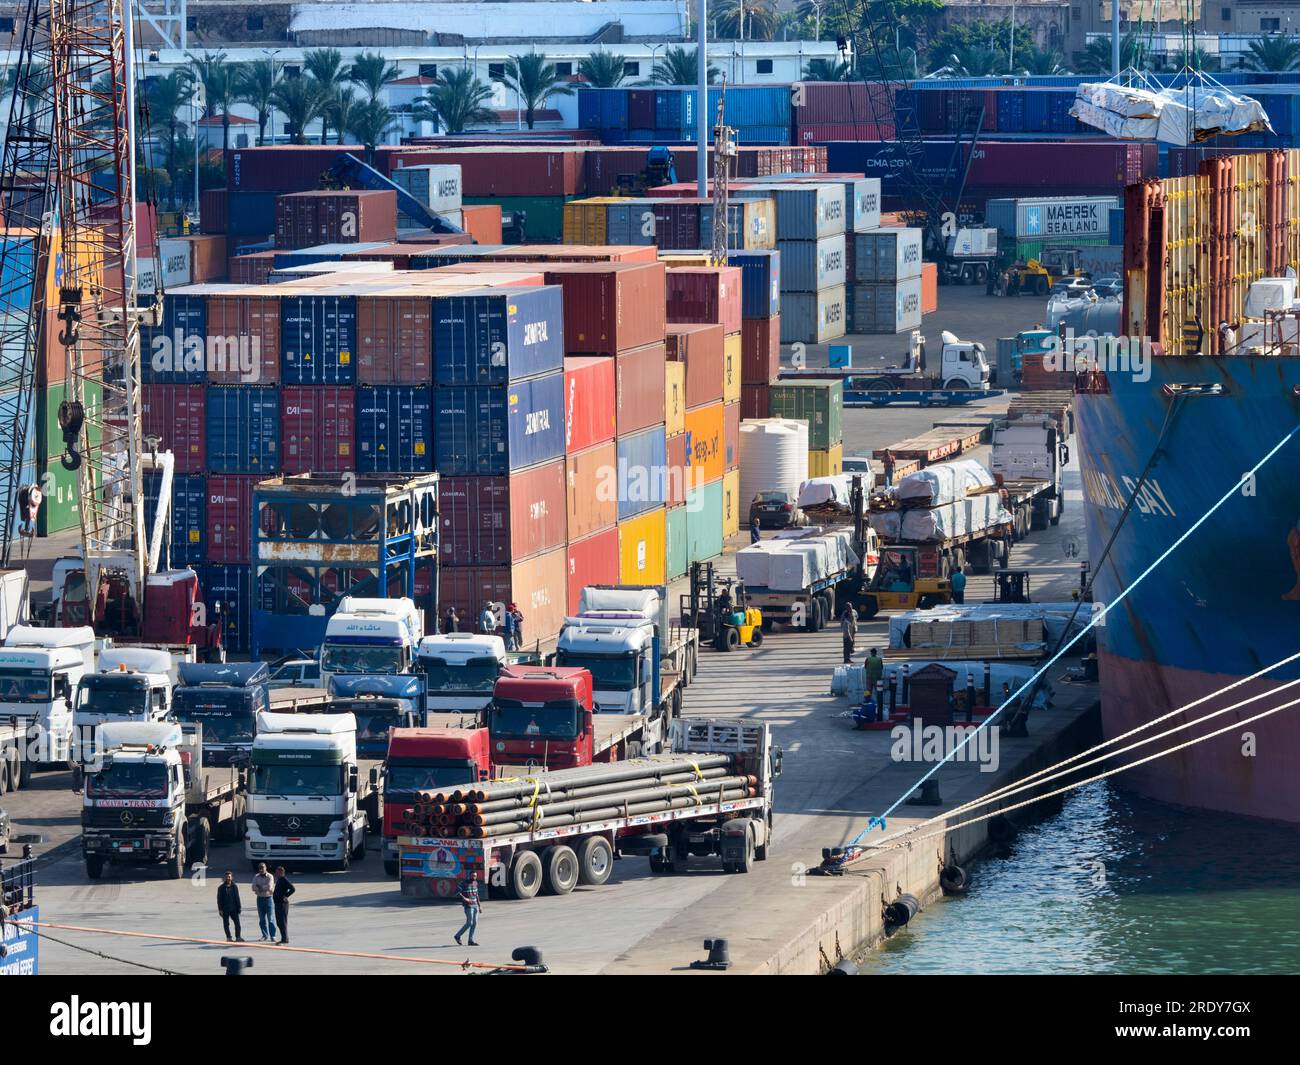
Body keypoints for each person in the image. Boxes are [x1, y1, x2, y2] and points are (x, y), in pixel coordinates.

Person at [251, 861, 276, 942]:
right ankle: (264, 935)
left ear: (266, 868)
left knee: (271, 919)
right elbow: (253, 887)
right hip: (260, 899)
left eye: (263, 868)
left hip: (269, 899)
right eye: (260, 868)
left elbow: (269, 887)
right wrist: (260, 888)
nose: (261, 869)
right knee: (262, 919)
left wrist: (259, 887)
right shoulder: (256, 877)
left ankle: (273, 936)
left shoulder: (270, 876)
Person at [454, 873, 481, 947]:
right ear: (469, 876)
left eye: (475, 875)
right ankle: (457, 936)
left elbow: (476, 894)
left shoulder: (475, 883)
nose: (474, 877)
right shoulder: (464, 883)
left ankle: (470, 940)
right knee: (469, 922)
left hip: (475, 905)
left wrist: (479, 906)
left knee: (474, 923)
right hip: (468, 906)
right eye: (472, 875)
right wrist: (464, 898)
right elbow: (456, 892)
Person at [216, 870, 243, 942]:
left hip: (234, 909)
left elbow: (237, 897)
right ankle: (229, 937)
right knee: (226, 924)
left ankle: (238, 937)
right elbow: (219, 899)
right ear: (224, 878)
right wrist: (220, 909)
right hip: (225, 909)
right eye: (227, 877)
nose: (228, 878)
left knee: (237, 924)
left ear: (232, 878)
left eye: (229, 877)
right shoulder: (221, 888)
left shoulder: (235, 886)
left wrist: (239, 907)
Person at [273, 866, 295, 945]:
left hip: (282, 904)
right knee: (279, 922)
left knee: (282, 922)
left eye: (277, 872)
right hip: (278, 903)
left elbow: (293, 889)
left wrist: (286, 896)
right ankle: (283, 938)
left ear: (281, 873)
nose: (276, 873)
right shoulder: (279, 880)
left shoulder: (284, 880)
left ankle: (285, 939)